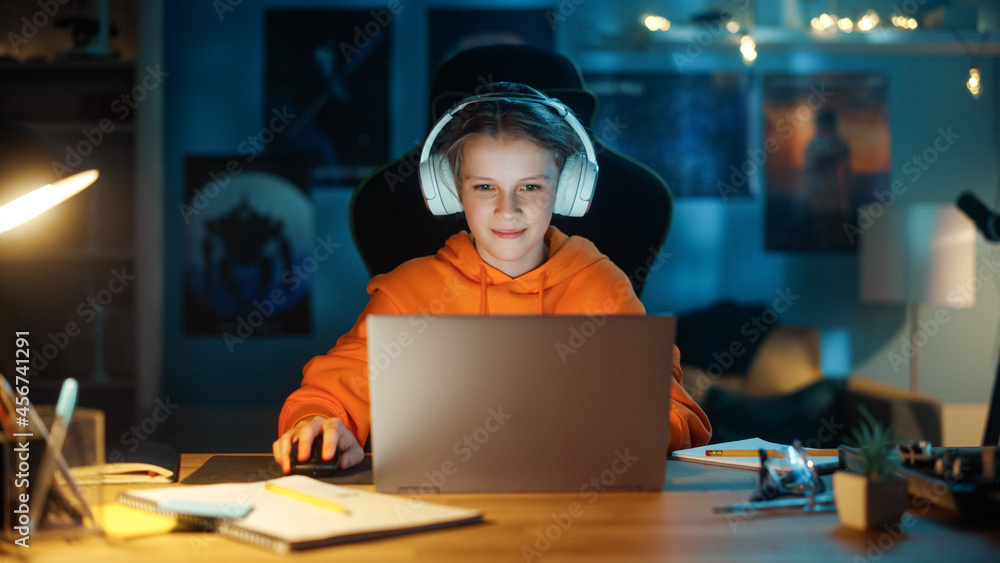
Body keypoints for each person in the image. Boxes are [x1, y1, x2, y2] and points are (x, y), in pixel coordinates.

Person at [273, 82, 711, 473]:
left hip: (578, 511)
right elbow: (333, 389)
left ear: (568, 188)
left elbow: (675, 411)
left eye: (531, 187)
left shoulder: (601, 287)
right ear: (451, 191)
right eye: (485, 187)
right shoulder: (412, 291)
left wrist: (642, 430)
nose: (508, 209)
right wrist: (316, 422)